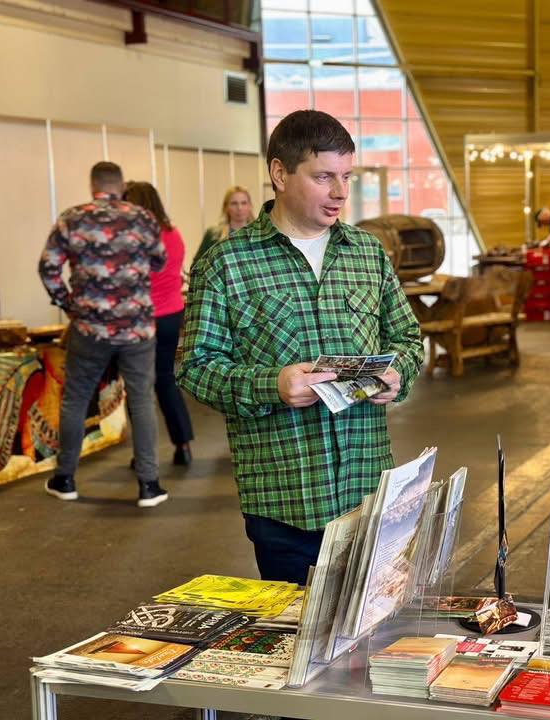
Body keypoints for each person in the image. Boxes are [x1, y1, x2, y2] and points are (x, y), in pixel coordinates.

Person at [178, 110, 423, 585]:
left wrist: (398, 374)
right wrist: (272, 384)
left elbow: (408, 339)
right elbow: (195, 367)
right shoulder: (227, 263)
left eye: (346, 176)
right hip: (285, 497)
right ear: (279, 174)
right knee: (296, 642)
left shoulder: (367, 253)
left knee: (373, 635)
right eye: (323, 176)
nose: (340, 193)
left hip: (368, 490)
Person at [38, 162, 169, 507]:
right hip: (138, 329)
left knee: (76, 400)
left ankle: (64, 478)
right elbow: (159, 262)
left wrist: (69, 304)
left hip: (89, 329)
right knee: (141, 400)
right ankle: (149, 486)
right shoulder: (143, 218)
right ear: (121, 185)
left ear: (92, 184)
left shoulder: (72, 218)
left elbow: (48, 267)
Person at [124, 181, 194, 467]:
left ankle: (142, 452)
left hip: (141, 319)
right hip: (171, 316)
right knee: (165, 379)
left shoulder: (135, 238)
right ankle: (183, 444)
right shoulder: (173, 234)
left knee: (137, 385)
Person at [192, 185, 254, 270]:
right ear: (226, 207)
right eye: (234, 203)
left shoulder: (259, 234)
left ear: (250, 206)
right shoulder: (213, 235)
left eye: (243, 203)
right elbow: (196, 267)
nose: (239, 208)